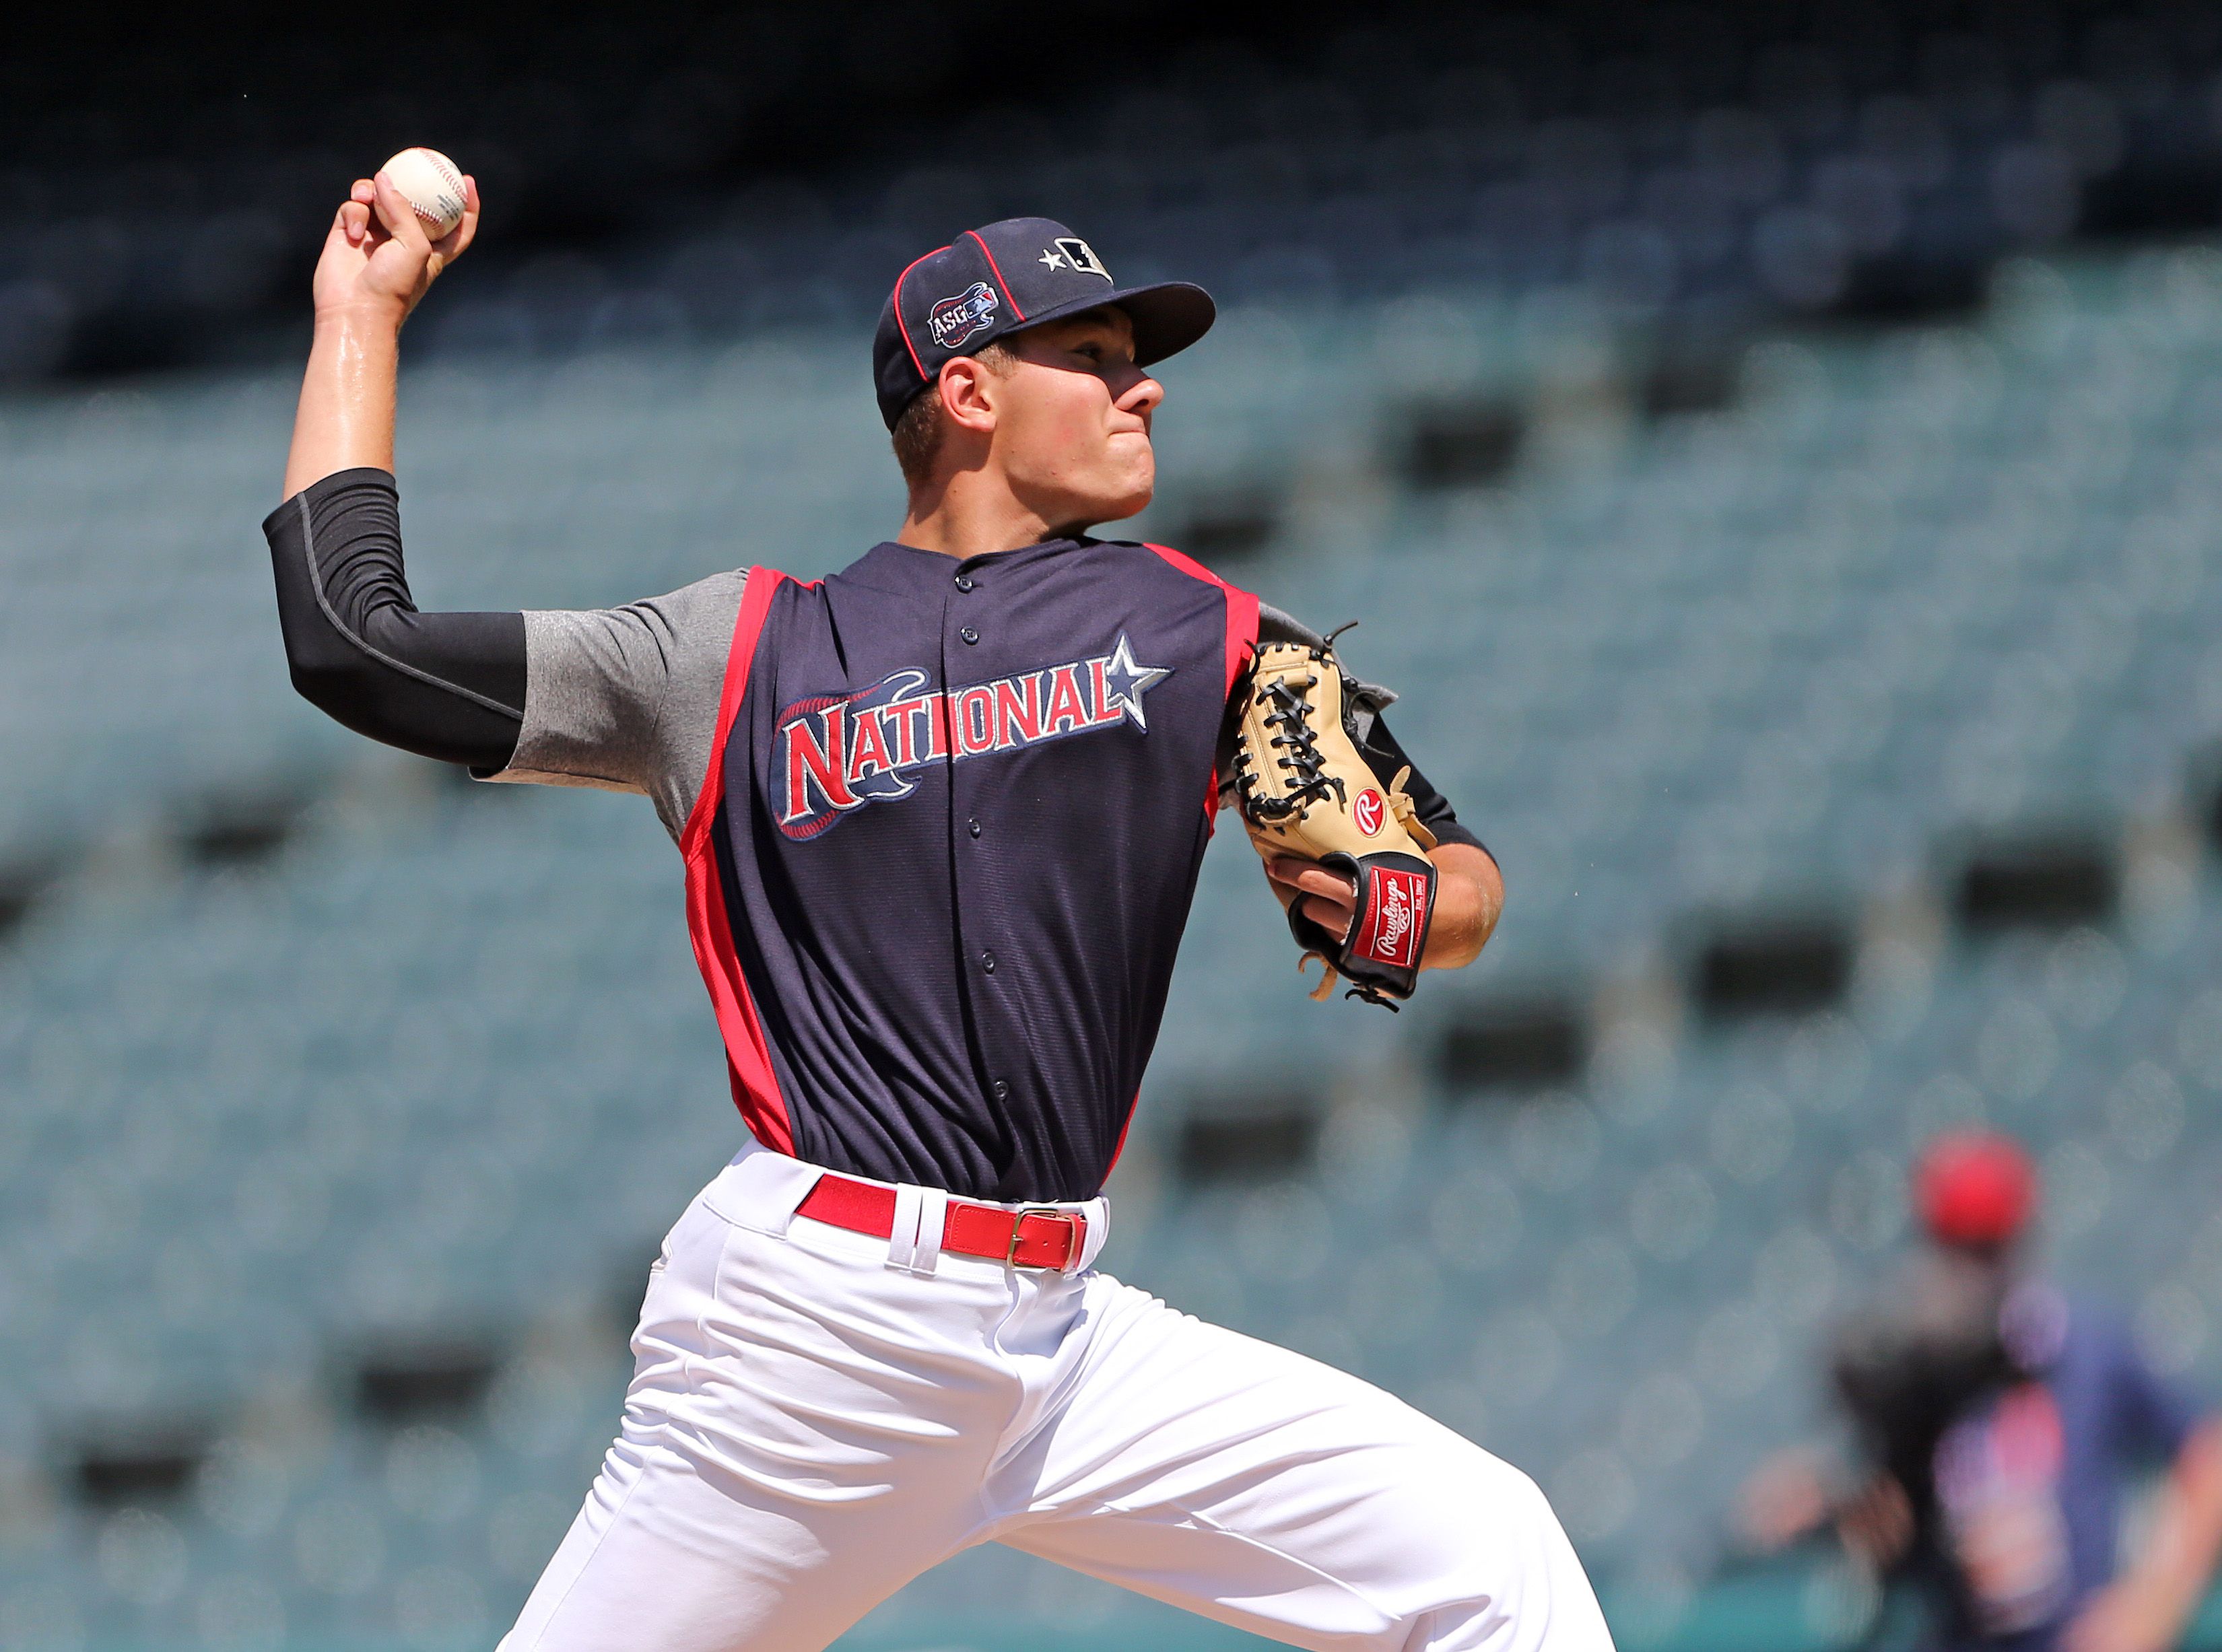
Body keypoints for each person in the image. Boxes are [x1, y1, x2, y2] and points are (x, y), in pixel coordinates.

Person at [263, 168, 1611, 1651]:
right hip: (815, 1343)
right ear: (967, 390)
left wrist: (1400, 913)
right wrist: (359, 315)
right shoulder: (737, 651)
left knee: (1494, 1560)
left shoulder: (1202, 629)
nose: (1143, 392)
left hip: (1065, 1344)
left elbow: (1459, 872)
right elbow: (352, 647)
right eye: (1091, 359)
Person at [1740, 1131, 2222, 1652]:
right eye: (1956, 1243)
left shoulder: (2083, 1346)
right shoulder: (1914, 1369)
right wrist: (1832, 1505)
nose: (1972, 1267)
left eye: (1986, 1246)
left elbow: (2208, 1455)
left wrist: (2152, 1600)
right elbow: (1888, 1518)